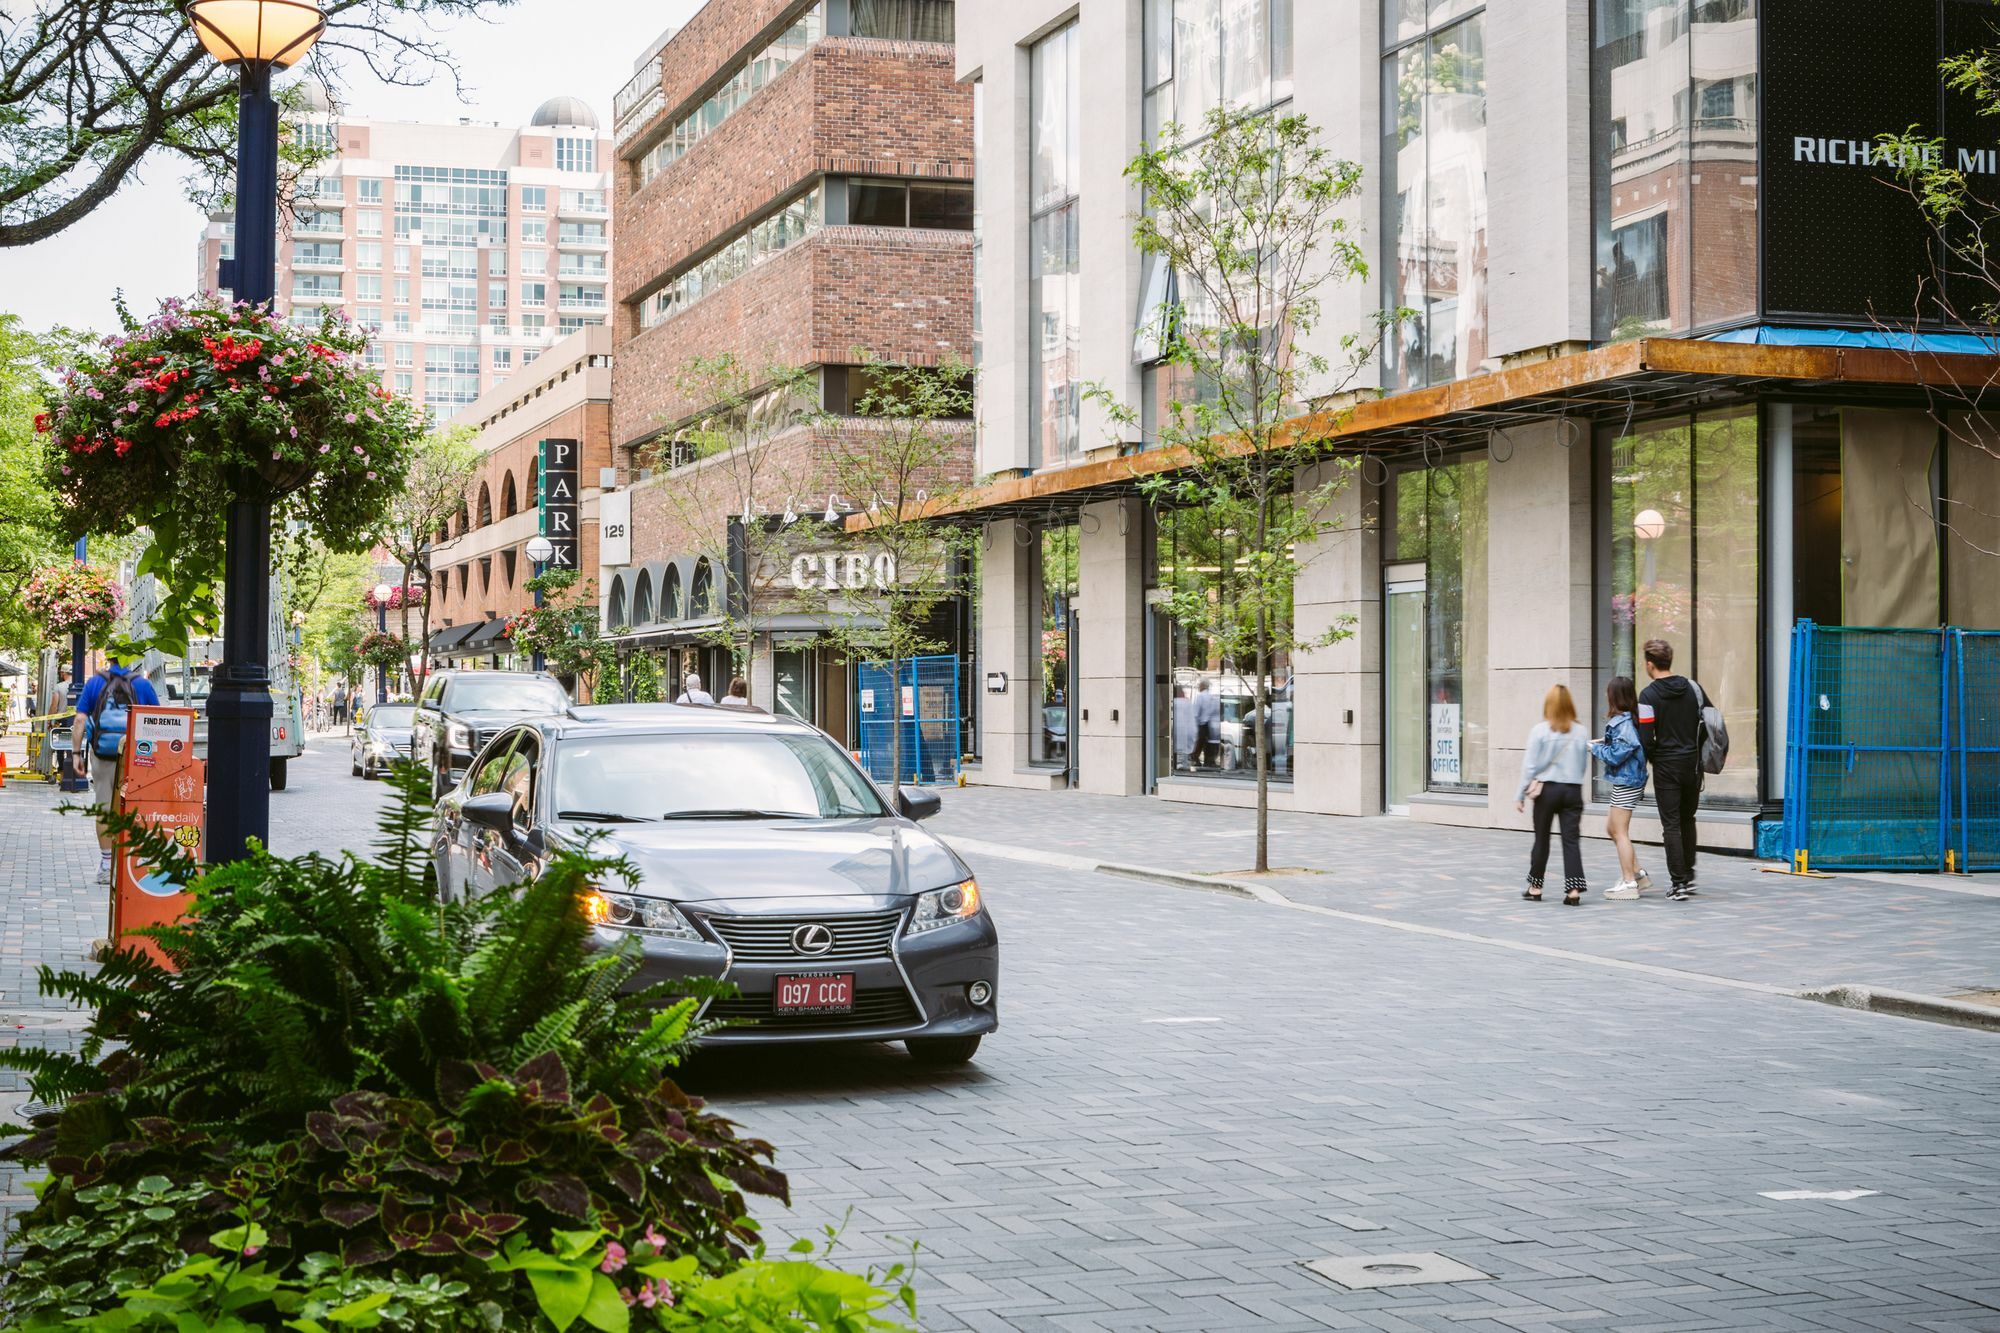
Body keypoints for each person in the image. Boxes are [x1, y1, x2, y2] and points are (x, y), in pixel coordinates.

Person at [72, 653, 161, 885]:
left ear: (109, 658)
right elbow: (157, 720)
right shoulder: (142, 684)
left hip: (102, 755)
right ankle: (132, 864)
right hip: (136, 756)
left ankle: (105, 864)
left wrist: (75, 755)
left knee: (103, 808)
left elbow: (80, 720)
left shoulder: (95, 682)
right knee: (135, 807)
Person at [1637, 638, 1703, 901]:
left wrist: (1654, 757)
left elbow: (1646, 737)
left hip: (1666, 766)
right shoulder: (1693, 688)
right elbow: (1707, 719)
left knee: (1672, 824)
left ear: (1650, 664)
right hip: (1693, 763)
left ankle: (1678, 884)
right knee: (1688, 819)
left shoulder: (1648, 695)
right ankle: (1688, 875)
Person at [1516, 683, 1590, 906]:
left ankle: (1536, 886)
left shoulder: (1540, 730)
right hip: (1572, 790)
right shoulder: (1581, 731)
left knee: (1542, 839)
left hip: (1547, 791)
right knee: (1571, 840)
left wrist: (1519, 794)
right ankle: (1573, 890)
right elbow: (1582, 765)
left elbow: (1529, 766)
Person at [1590, 676, 1653, 901]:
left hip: (1627, 781)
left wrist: (1594, 750)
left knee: (1620, 832)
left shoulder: (1622, 722)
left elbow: (1617, 755)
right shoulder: (1629, 720)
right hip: (1627, 781)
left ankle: (1629, 882)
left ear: (1614, 696)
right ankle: (1639, 875)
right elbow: (1621, 746)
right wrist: (1602, 743)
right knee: (1612, 828)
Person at [1192, 678, 1221, 769]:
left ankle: (1196, 760)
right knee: (1208, 744)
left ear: (1202, 686)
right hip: (1211, 724)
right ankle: (1209, 761)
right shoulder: (1213, 697)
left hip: (1203, 724)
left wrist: (1194, 725)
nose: (1198, 687)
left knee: (1199, 742)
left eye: (1199, 685)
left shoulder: (1200, 696)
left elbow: (1195, 713)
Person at [1171, 684, 1195, 772]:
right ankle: (1183, 764)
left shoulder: (1173, 702)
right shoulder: (1187, 703)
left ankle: (1177, 764)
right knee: (1183, 748)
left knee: (1176, 747)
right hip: (1185, 730)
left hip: (1174, 729)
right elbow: (1192, 720)